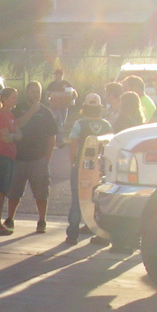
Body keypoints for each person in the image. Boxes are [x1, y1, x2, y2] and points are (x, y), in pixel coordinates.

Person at [3, 80, 58, 234]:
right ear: (27, 93)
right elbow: (15, 126)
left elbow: (52, 136)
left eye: (38, 92)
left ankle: (42, 220)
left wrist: (47, 158)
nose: (36, 95)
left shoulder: (46, 112)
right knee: (14, 192)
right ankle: (10, 218)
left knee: (41, 192)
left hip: (38, 158)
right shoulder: (17, 109)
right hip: (18, 158)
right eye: (33, 91)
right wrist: (32, 111)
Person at [64, 93, 112, 245]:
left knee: (77, 199)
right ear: (99, 108)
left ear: (84, 108)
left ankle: (72, 235)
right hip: (100, 169)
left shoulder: (79, 124)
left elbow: (73, 145)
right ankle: (101, 233)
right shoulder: (107, 125)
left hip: (82, 166)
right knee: (100, 201)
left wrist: (73, 163)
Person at [0, 87, 19, 236]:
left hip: (10, 156)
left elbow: (16, 132)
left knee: (4, 190)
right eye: (13, 97)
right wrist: (15, 136)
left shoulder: (10, 114)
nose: (15, 100)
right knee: (0, 190)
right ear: (5, 99)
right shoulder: (0, 115)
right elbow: (6, 137)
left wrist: (14, 134)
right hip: (2, 156)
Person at [44, 67, 76, 146]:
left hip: (64, 106)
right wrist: (49, 101)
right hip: (55, 107)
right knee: (59, 121)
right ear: (55, 75)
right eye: (57, 74)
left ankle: (57, 139)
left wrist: (72, 98)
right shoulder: (52, 84)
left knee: (62, 122)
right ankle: (60, 140)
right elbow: (47, 95)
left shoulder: (66, 83)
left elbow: (73, 93)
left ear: (62, 75)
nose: (58, 76)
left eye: (60, 74)